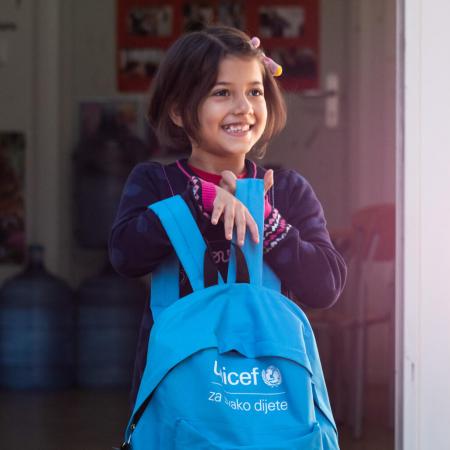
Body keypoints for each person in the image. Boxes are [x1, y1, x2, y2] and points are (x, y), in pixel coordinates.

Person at [109, 26, 347, 410]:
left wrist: (267, 221)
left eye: (254, 91)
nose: (243, 107)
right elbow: (125, 256)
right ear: (178, 110)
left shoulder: (286, 191)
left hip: (267, 403)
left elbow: (326, 285)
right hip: (177, 404)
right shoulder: (156, 183)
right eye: (222, 93)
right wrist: (197, 201)